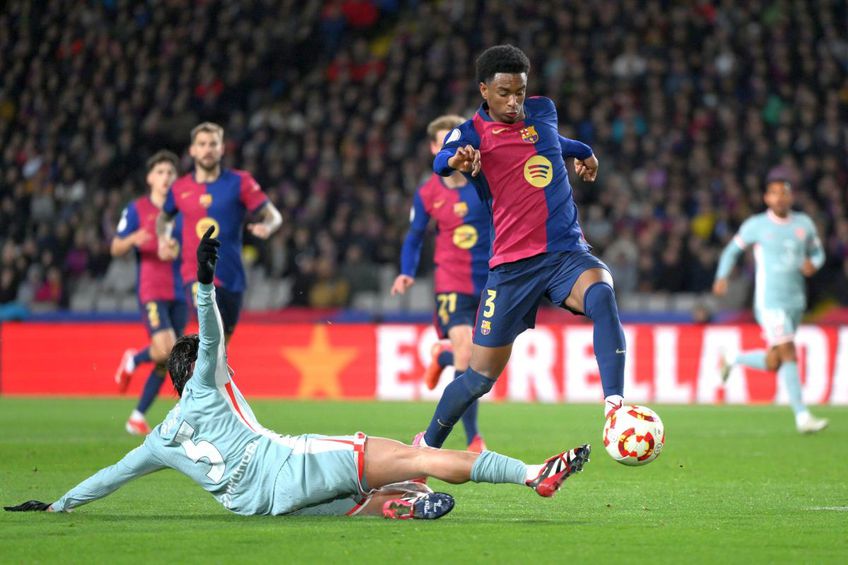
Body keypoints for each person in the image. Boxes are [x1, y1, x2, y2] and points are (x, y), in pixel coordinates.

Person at [3, 228, 591, 519]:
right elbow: (210, 333)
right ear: (196, 375)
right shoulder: (206, 382)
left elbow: (112, 473)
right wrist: (202, 282)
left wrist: (58, 506)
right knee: (415, 457)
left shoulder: (161, 437)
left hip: (256, 505)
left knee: (365, 497)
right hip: (286, 463)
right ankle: (531, 474)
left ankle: (400, 507)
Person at [415, 45, 626, 450]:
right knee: (477, 379)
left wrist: (587, 154)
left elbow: (556, 142)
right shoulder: (471, 132)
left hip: (565, 252)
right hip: (512, 267)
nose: (514, 102)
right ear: (484, 90)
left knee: (601, 292)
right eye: (504, 93)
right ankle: (425, 448)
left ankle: (615, 406)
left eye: (520, 92)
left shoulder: (543, 111)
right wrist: (457, 161)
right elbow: (441, 161)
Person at [392, 114, 490, 453]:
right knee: (468, 351)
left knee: (480, 360)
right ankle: (474, 438)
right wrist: (406, 271)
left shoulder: (483, 181)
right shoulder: (428, 192)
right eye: (443, 142)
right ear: (435, 149)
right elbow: (415, 236)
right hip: (451, 280)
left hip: (491, 278)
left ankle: (443, 358)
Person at [713, 172, 828, 433]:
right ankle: (802, 417)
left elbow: (818, 252)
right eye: (774, 192)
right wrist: (722, 276)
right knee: (788, 350)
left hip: (796, 301)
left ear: (791, 196)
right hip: (769, 301)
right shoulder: (757, 225)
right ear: (766, 197)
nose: (779, 197)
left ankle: (733, 357)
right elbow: (732, 250)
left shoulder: (804, 224)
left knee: (775, 361)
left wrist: (815, 263)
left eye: (784, 192)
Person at [156, 122, 282, 343]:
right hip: (194, 275)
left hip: (231, 276)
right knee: (211, 331)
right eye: (202, 144)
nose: (207, 149)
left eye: (213, 144)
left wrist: (267, 227)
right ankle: (195, 375)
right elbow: (164, 218)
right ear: (193, 150)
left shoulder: (240, 182)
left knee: (221, 344)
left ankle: (207, 375)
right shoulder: (180, 188)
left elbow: (274, 215)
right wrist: (163, 239)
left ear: (222, 148)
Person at [111, 151, 187, 435]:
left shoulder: (182, 211)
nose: (166, 177)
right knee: (167, 349)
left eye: (170, 172)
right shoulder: (136, 209)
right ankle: (133, 359)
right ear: (150, 178)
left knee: (169, 357)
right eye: (160, 172)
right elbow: (115, 248)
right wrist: (133, 238)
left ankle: (137, 416)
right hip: (152, 289)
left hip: (179, 292)